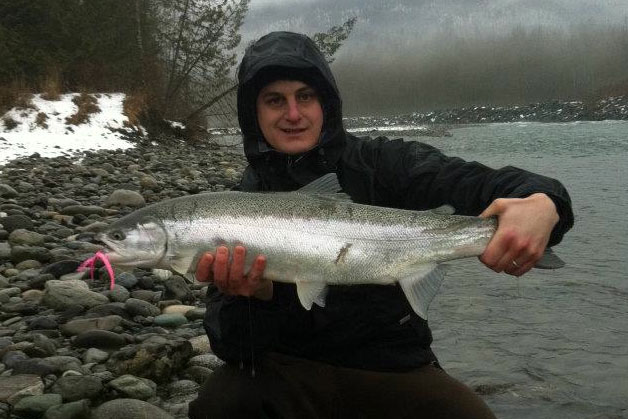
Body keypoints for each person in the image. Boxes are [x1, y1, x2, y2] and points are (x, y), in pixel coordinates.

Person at [188, 31, 573, 419]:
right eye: (275, 100)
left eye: (305, 96)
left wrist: (543, 202)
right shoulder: (237, 208)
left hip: (393, 368)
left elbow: (485, 183)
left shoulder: (385, 163)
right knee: (218, 405)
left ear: (326, 104)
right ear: (253, 113)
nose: (293, 114)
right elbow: (232, 347)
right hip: (289, 372)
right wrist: (251, 298)